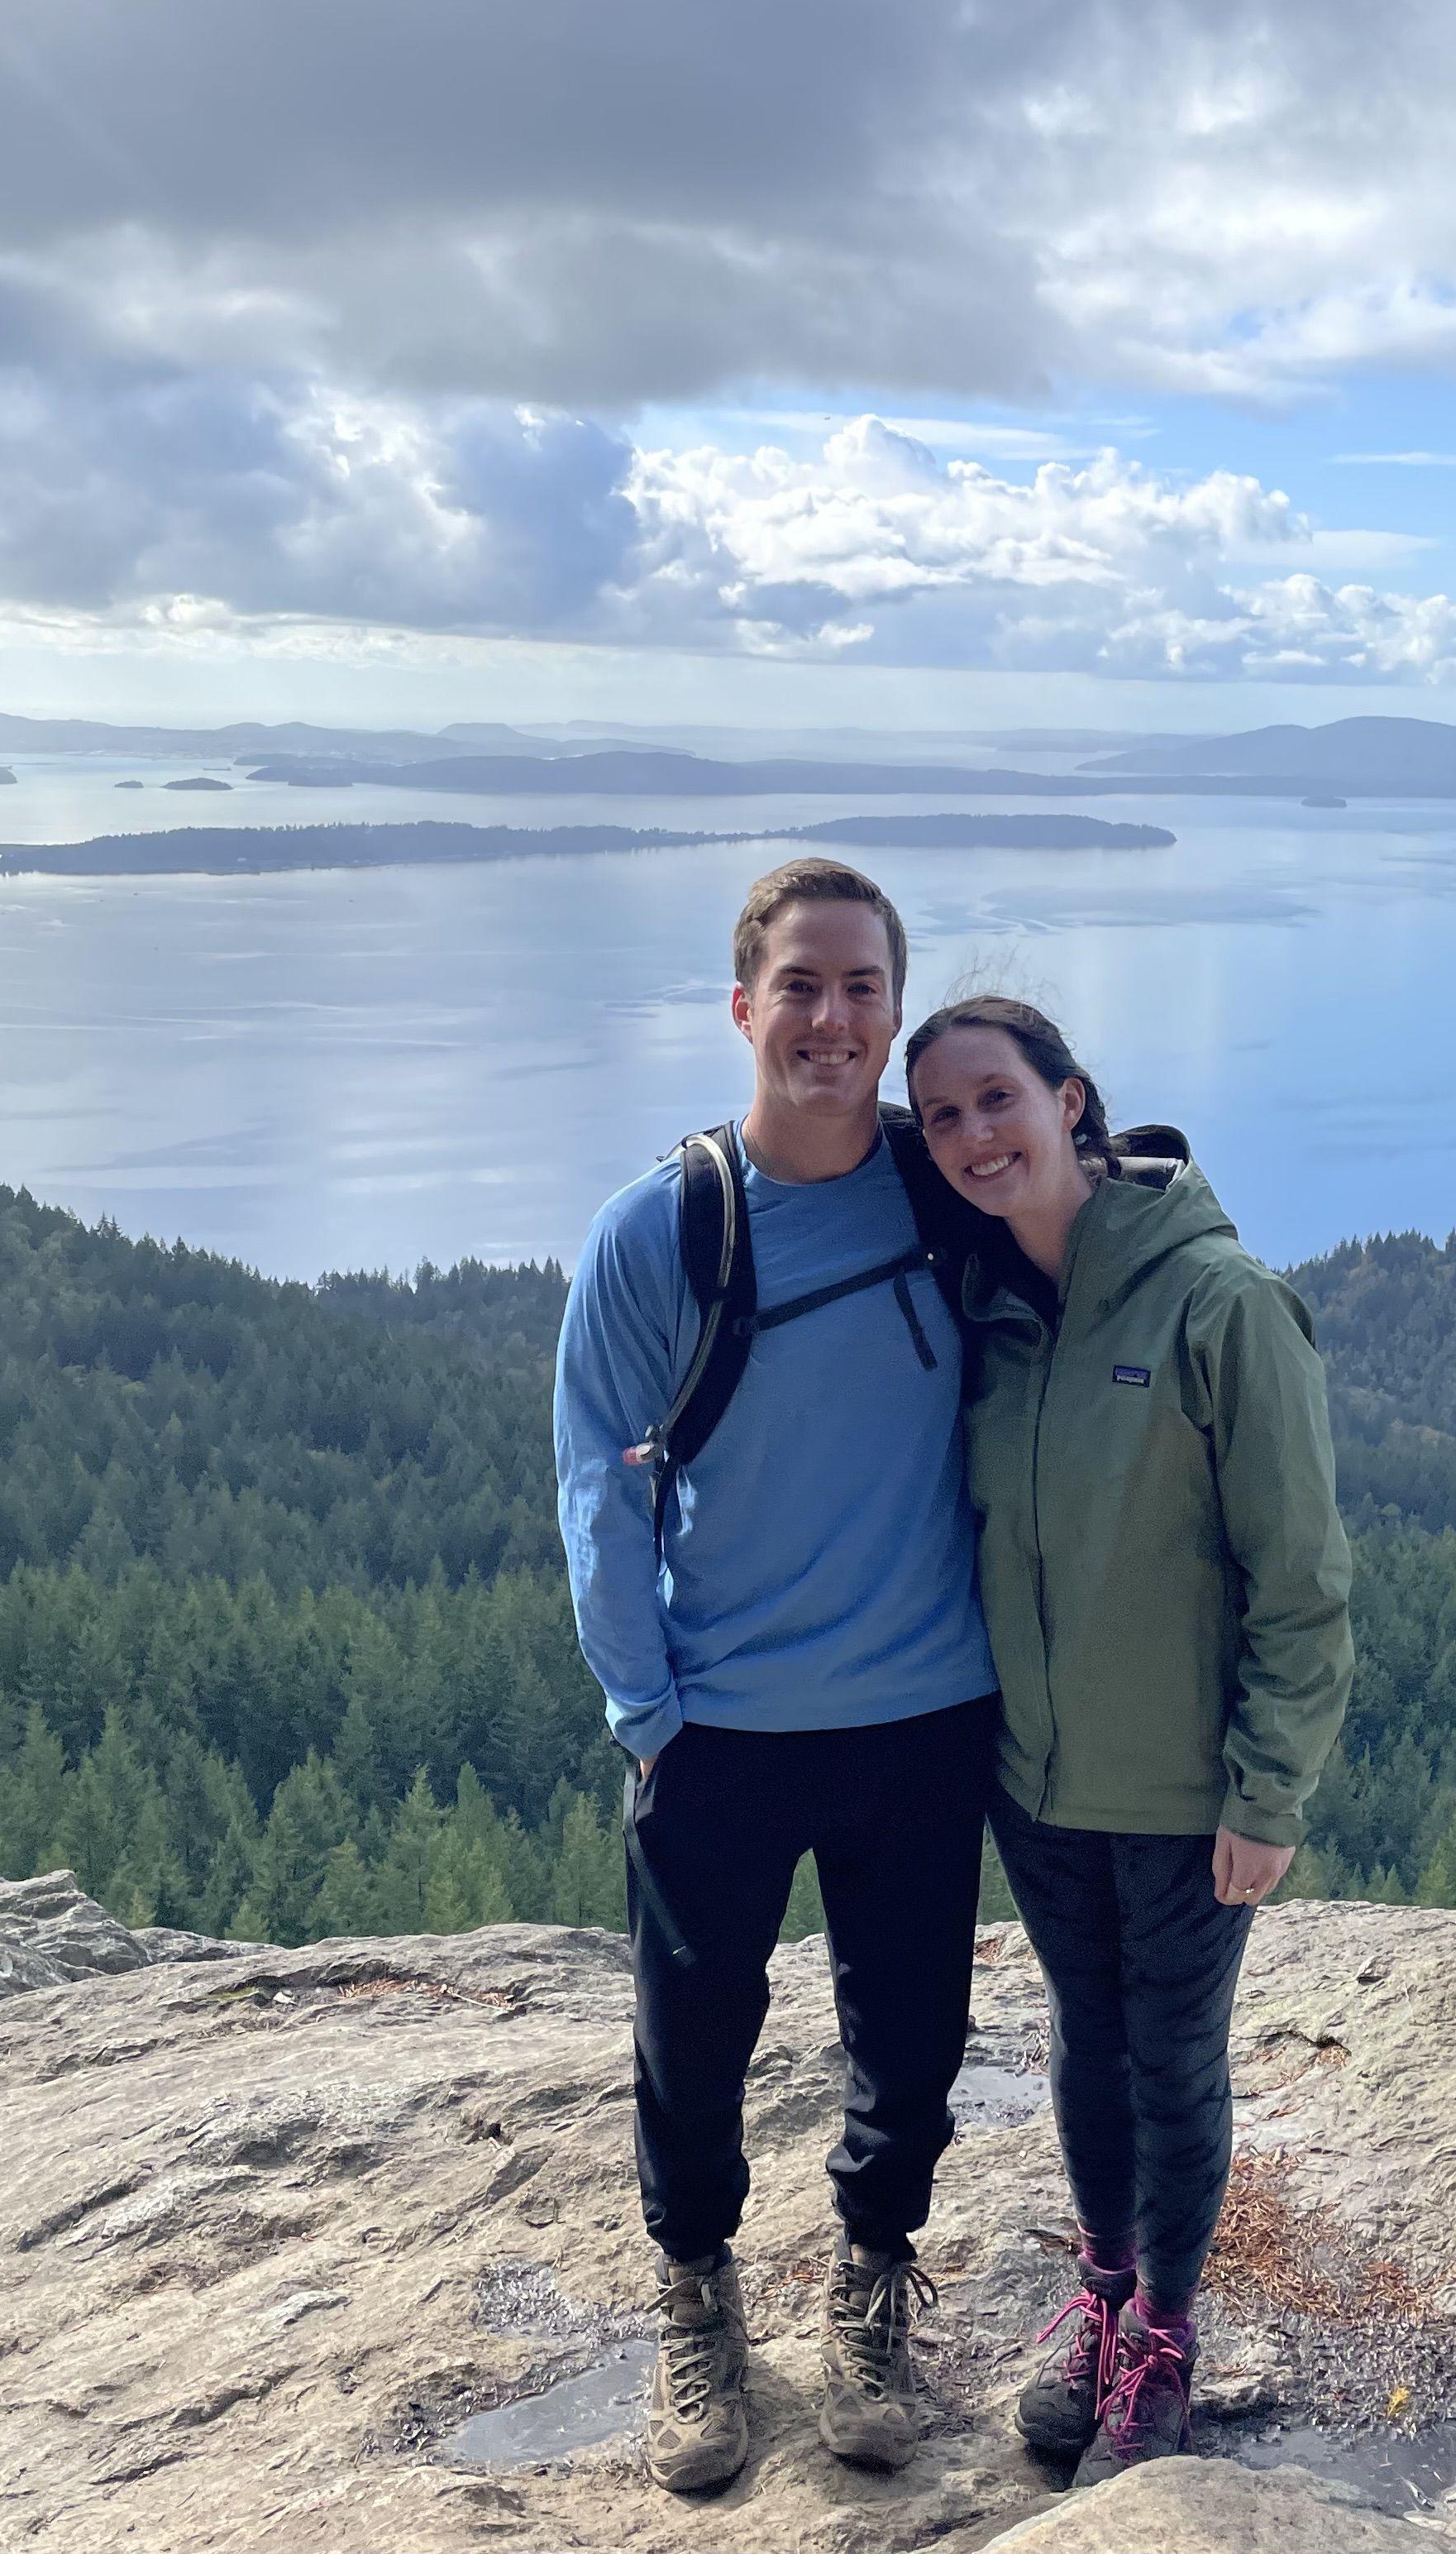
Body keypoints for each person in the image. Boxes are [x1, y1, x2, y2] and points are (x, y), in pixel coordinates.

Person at [554, 859, 1003, 2496]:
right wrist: (647, 1710)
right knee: (697, 2031)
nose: (831, 1018)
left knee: (915, 2032)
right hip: (724, 1725)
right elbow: (597, 1482)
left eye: (861, 988)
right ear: (742, 1006)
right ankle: (697, 2299)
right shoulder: (665, 1227)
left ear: (894, 1012)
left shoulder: (947, 1182)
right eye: (799, 986)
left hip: (925, 1709)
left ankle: (869, 2292)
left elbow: (1113, 1230)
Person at [903, 992, 1353, 2491]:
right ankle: (1099, 2298)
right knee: (1083, 2046)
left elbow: (1300, 1579)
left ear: (1073, 1101)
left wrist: (1266, 1789)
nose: (974, 1135)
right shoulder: (989, 1314)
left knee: (1172, 2054)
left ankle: (1166, 2322)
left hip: (1178, 1792)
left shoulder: (1221, 1305)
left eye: (997, 1099)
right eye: (944, 1114)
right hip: (1034, 1781)